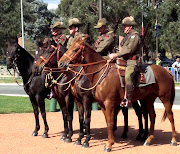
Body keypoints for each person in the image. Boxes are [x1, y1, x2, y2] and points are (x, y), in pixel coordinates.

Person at [108, 16, 141, 107]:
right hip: (124, 60)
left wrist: (116, 55)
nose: (124, 28)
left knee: (128, 76)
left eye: (125, 26)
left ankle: (129, 99)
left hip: (132, 61)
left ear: (130, 27)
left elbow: (129, 50)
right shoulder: (128, 37)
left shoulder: (135, 36)